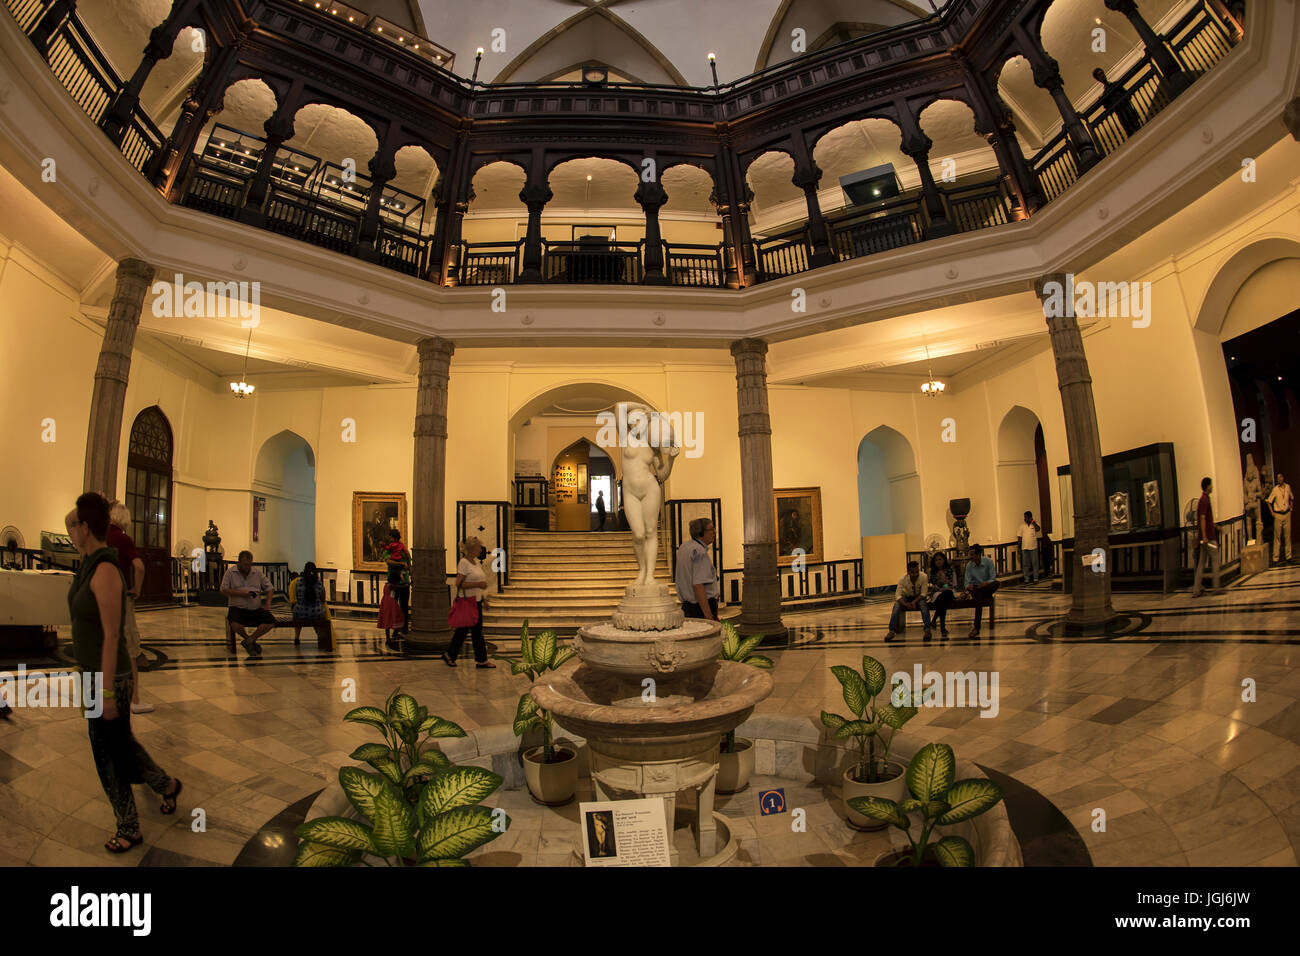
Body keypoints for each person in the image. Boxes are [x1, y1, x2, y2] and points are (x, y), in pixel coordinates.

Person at [65, 492, 180, 854]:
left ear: (85, 529)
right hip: (90, 675)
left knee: (106, 753)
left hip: (107, 678)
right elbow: (72, 517)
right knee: (120, 743)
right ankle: (165, 785)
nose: (69, 530)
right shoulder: (86, 561)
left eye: (76, 526)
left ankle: (129, 826)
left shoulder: (105, 570)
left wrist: (109, 693)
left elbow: (113, 636)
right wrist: (93, 505)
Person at [107, 501, 152, 714]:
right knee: (131, 650)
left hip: (98, 597)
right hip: (121, 597)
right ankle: (135, 700)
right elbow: (139, 567)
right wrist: (137, 588)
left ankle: (101, 697)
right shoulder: (122, 539)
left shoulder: (98, 537)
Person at [442, 537, 494, 668]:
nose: (481, 549)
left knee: (476, 632)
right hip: (467, 603)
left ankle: (481, 660)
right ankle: (450, 655)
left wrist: (483, 600)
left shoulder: (475, 563)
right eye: (478, 547)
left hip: (475, 602)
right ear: (471, 548)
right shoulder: (464, 563)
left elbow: (479, 586)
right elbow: (458, 583)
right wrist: (478, 584)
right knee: (463, 632)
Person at [221, 549, 274, 657]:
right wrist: (241, 593)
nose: (247, 567)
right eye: (245, 564)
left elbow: (270, 588)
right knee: (235, 624)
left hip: (255, 608)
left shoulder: (257, 573)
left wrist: (268, 603)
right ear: (239, 562)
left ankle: (250, 640)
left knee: (270, 622)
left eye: (249, 565)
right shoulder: (230, 573)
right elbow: (223, 589)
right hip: (237, 607)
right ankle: (249, 640)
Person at [675, 517, 719, 621]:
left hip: (687, 606)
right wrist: (708, 615)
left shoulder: (684, 547)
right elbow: (698, 585)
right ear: (701, 532)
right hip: (700, 608)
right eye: (711, 529)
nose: (714, 532)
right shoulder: (699, 552)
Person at [886, 560, 931, 643]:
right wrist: (905, 604)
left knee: (923, 606)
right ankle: (891, 631)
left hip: (919, 597)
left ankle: (927, 629)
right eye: (912, 572)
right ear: (908, 572)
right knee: (896, 606)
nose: (915, 574)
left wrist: (914, 602)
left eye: (917, 572)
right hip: (906, 596)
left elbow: (923, 593)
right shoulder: (902, 579)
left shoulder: (924, 577)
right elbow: (898, 595)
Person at [963, 543, 999, 639]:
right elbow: (966, 582)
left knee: (996, 583)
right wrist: (968, 586)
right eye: (970, 554)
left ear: (979, 554)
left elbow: (993, 578)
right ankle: (976, 627)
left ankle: (976, 628)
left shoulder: (988, 562)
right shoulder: (969, 566)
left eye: (972, 555)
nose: (970, 557)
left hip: (986, 587)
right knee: (978, 595)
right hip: (976, 589)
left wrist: (986, 583)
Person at [1192, 476, 1220, 596]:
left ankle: (1196, 589)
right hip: (1208, 538)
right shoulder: (1204, 500)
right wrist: (1204, 536)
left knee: (1201, 564)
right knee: (1215, 560)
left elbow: (1206, 519)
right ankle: (1216, 587)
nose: (1212, 487)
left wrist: (1215, 526)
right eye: (1211, 484)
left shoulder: (1204, 499)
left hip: (1204, 538)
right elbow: (1202, 518)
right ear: (1207, 486)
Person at [1093, 67, 1142, 136]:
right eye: (1099, 75)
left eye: (1102, 73)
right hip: (1122, 116)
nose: (1102, 76)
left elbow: (1127, 94)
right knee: (1130, 131)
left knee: (1138, 127)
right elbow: (1108, 108)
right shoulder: (1105, 94)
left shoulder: (1115, 84)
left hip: (1129, 110)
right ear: (1098, 79)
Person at [289, 561, 329, 645]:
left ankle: (297, 637)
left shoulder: (298, 582)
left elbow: (296, 597)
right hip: (316, 612)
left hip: (300, 612)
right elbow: (323, 599)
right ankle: (320, 636)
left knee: (297, 614)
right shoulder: (319, 583)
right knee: (318, 613)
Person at [384, 529, 411, 638]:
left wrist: (406, 567)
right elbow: (388, 561)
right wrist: (401, 564)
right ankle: (396, 628)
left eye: (390, 538)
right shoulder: (391, 549)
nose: (389, 540)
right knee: (394, 607)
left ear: (394, 538)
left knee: (403, 606)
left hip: (402, 583)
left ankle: (404, 628)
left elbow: (409, 564)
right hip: (394, 583)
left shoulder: (401, 549)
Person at [927, 551, 957, 640]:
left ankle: (934, 620)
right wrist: (940, 585)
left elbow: (952, 584)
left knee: (945, 595)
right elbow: (933, 585)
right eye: (936, 560)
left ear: (944, 560)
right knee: (942, 599)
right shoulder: (933, 572)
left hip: (949, 592)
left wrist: (945, 584)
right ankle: (942, 628)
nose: (938, 562)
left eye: (940, 559)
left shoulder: (949, 570)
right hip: (937, 593)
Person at [1266, 472, 1292, 564]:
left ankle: (1288, 556)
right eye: (1278, 478)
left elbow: (1291, 498)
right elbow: (1269, 501)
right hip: (1278, 515)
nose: (1279, 479)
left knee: (1287, 536)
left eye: (1281, 477)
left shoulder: (1288, 487)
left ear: (1283, 478)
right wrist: (1272, 512)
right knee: (1277, 537)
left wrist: (1291, 507)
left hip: (1287, 514)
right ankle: (1275, 557)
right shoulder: (1275, 490)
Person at [1019, 510, 1042, 584]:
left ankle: (1036, 578)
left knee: (1035, 563)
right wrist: (1019, 547)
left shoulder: (1034, 524)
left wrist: (1033, 521)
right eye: (1024, 517)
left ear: (1030, 517)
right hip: (1024, 547)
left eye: (1026, 517)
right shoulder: (1022, 526)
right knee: (1025, 564)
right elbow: (1019, 537)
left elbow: (1038, 529)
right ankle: (1026, 579)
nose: (1024, 519)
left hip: (1033, 547)